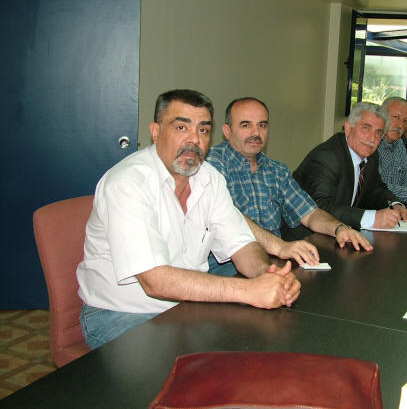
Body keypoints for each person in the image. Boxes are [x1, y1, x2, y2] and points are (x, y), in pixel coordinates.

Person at [76, 89, 301, 349]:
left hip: (187, 307)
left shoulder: (211, 179)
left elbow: (241, 245)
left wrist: (268, 275)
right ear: (156, 132)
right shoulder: (128, 183)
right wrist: (249, 290)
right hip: (121, 313)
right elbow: (155, 281)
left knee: (254, 346)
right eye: (181, 127)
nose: (194, 139)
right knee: (188, 367)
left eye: (203, 130)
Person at [206, 97, 372, 276]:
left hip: (274, 258)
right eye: (246, 125)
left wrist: (340, 228)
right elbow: (231, 217)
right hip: (226, 266)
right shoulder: (211, 165)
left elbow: (310, 214)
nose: (256, 132)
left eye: (262, 125)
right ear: (227, 131)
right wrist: (280, 246)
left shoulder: (276, 170)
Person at [293, 102, 407, 230]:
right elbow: (320, 207)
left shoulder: (371, 155)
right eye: (366, 128)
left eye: (378, 133)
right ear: (348, 128)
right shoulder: (326, 157)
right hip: (306, 234)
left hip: (343, 231)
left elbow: (376, 189)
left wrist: (396, 206)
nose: (372, 139)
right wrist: (372, 218)